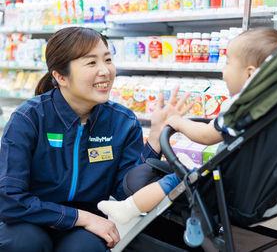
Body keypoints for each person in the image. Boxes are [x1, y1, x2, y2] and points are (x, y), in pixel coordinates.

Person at [0, 27, 190, 252]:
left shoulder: (122, 121)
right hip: (31, 218)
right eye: (91, 63)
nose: (105, 71)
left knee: (84, 248)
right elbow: (9, 199)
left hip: (85, 227)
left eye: (108, 59)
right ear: (61, 76)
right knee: (26, 242)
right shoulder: (30, 118)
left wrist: (156, 141)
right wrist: (82, 217)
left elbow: (126, 193)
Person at [97, 28, 277, 225]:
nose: (223, 71)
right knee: (188, 170)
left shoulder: (243, 107)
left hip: (229, 186)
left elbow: (206, 135)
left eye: (228, 62)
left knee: (175, 180)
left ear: (250, 75)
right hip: (262, 188)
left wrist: (178, 122)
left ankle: (128, 208)